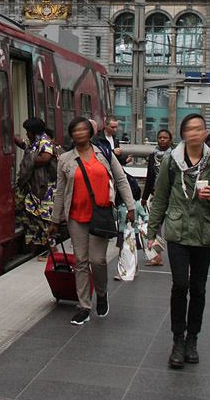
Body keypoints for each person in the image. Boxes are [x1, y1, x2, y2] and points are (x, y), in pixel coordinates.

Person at [147, 112, 210, 369]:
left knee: (199, 288)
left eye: (199, 128)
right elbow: (160, 198)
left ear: (206, 134)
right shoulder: (171, 162)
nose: (194, 133)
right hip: (178, 231)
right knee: (180, 285)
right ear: (183, 134)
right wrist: (151, 233)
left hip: (204, 234)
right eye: (189, 129)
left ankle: (193, 339)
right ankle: (177, 340)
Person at [47, 116, 134, 325]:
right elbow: (60, 192)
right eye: (75, 131)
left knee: (98, 260)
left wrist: (130, 206)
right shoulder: (65, 159)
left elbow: (120, 179)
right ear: (71, 135)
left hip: (101, 215)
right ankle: (84, 305)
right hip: (76, 217)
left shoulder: (104, 154)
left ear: (91, 133)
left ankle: (102, 294)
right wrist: (54, 220)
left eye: (83, 130)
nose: (79, 134)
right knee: (81, 262)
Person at [14, 117, 58, 257]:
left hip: (44, 187)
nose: (26, 134)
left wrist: (29, 159)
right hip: (33, 186)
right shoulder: (33, 141)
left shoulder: (45, 141)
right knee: (30, 215)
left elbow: (45, 158)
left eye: (28, 131)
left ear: (33, 131)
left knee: (44, 217)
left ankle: (52, 249)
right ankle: (40, 246)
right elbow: (23, 143)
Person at [141, 128, 173, 265]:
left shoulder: (175, 156)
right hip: (156, 194)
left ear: (170, 140)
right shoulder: (153, 156)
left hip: (172, 195)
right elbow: (149, 177)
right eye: (160, 137)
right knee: (155, 224)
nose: (162, 140)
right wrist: (144, 196)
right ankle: (157, 255)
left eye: (165, 137)